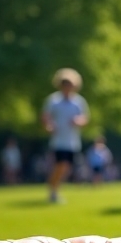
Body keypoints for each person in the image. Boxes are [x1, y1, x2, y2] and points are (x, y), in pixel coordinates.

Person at [41, 68, 89, 203]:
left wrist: (78, 121)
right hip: (58, 140)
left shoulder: (78, 102)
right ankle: (53, 191)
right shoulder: (53, 100)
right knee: (60, 165)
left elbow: (84, 118)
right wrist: (49, 126)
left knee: (66, 168)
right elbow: (46, 117)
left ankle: (55, 189)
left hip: (72, 141)